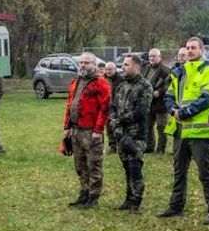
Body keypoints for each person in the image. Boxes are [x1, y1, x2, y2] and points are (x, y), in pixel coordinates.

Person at [158, 36, 209, 224]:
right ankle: (176, 205)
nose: (190, 50)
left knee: (205, 172)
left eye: (194, 47)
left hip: (199, 130)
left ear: (202, 50)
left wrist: (185, 113)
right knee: (179, 170)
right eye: (187, 48)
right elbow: (169, 95)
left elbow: (206, 98)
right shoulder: (180, 72)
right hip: (180, 130)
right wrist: (173, 110)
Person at [62, 52, 112, 208]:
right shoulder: (76, 81)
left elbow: (105, 108)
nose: (83, 65)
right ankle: (83, 194)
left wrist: (98, 130)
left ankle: (93, 197)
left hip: (90, 132)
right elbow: (70, 104)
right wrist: (67, 127)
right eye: (81, 62)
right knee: (80, 165)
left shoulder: (100, 82)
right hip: (76, 130)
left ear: (94, 64)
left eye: (86, 62)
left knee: (94, 165)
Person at [109, 54, 152, 212]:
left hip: (136, 135)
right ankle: (128, 198)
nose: (123, 67)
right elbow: (113, 105)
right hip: (121, 134)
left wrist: (119, 120)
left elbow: (141, 112)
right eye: (123, 64)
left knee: (135, 167)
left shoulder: (145, 86)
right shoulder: (122, 84)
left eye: (126, 65)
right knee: (126, 166)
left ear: (136, 67)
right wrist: (113, 119)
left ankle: (136, 201)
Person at [144, 48, 171, 154]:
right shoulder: (146, 68)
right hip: (148, 102)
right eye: (150, 56)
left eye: (154, 56)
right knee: (148, 125)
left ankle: (161, 148)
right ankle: (149, 146)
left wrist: (159, 92)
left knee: (161, 126)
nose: (151, 58)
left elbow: (168, 85)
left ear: (159, 57)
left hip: (161, 103)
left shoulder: (165, 70)